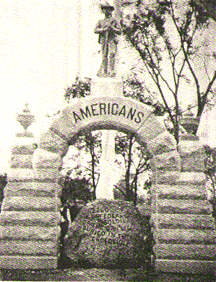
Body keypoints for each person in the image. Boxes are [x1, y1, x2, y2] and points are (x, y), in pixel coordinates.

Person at [94, 3, 121, 77]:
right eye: (105, 9)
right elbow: (95, 30)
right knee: (104, 55)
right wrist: (103, 29)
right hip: (103, 39)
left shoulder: (114, 21)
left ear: (110, 10)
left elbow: (119, 31)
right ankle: (104, 71)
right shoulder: (100, 21)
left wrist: (112, 28)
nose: (106, 11)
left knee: (112, 53)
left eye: (108, 9)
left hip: (111, 39)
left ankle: (111, 70)